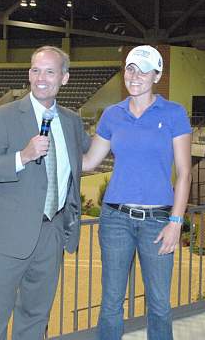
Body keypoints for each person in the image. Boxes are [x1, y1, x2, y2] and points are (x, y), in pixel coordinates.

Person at [0, 45, 90, 340]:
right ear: (29, 74)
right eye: (36, 70)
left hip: (51, 235)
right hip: (6, 238)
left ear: (64, 78)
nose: (41, 78)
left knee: (36, 317)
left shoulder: (72, 121)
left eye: (50, 71)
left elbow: (90, 155)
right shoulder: (4, 116)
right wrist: (21, 157)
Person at [82, 45, 192, 340]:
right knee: (111, 303)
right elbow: (89, 162)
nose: (135, 76)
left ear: (157, 75)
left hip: (158, 222)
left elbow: (184, 174)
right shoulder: (112, 115)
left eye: (144, 70)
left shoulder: (174, 113)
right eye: (131, 68)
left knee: (158, 304)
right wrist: (52, 147)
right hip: (115, 219)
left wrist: (175, 222)